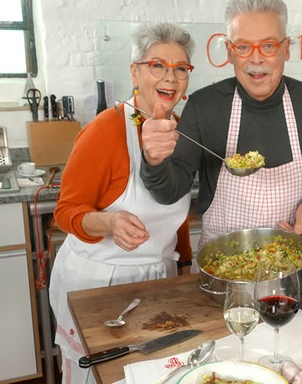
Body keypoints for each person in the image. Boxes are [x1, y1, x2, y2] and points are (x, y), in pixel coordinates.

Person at [140, 0, 302, 250]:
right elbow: (168, 193)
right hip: (220, 267)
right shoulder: (204, 106)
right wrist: (154, 160)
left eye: (269, 45)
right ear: (230, 52)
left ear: (286, 49)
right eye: (243, 46)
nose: (256, 59)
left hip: (290, 265)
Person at [49, 22, 195, 383]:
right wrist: (109, 223)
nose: (170, 78)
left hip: (156, 282)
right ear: (135, 71)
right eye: (157, 65)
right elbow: (65, 213)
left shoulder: (179, 131)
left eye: (181, 68)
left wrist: (185, 269)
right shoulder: (105, 130)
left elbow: (175, 212)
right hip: (96, 286)